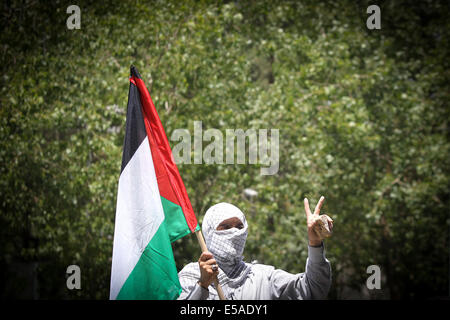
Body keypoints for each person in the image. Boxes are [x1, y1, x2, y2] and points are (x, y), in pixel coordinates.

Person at [177, 196, 333, 300]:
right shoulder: (191, 276)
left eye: (239, 227)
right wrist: (202, 286)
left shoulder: (264, 277)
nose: (234, 232)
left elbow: (313, 290)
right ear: (209, 232)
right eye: (225, 227)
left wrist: (315, 244)